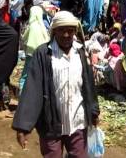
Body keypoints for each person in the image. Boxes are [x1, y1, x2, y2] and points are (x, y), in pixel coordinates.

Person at [12, 11, 100, 157]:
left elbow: (88, 85)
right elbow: (32, 90)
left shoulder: (80, 53)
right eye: (61, 30)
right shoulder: (43, 54)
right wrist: (23, 127)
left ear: (75, 32)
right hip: (51, 122)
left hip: (77, 121)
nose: (66, 35)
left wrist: (94, 111)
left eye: (70, 31)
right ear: (54, 31)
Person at [19, 6, 50, 95]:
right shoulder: (43, 26)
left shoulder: (31, 26)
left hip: (30, 54)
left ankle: (22, 98)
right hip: (42, 55)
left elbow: (23, 38)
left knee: (25, 77)